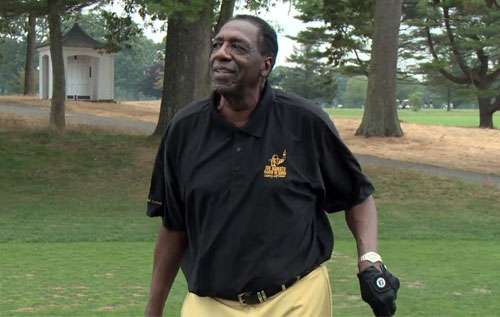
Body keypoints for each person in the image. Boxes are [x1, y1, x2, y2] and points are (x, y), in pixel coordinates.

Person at [145, 15, 399, 317]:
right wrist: (154, 309)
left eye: (238, 47)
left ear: (266, 65)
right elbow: (174, 226)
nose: (221, 54)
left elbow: (357, 194)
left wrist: (369, 258)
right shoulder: (184, 129)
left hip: (296, 298)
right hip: (209, 303)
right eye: (217, 45)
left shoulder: (305, 122)